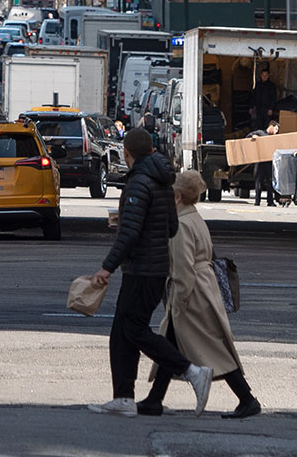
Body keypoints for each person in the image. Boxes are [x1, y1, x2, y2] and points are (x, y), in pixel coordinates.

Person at [86, 127, 210, 418]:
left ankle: (191, 371)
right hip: (154, 269)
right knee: (122, 332)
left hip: (142, 269)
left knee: (133, 330)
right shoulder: (163, 183)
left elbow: (129, 234)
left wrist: (107, 267)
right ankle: (124, 398)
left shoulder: (139, 183)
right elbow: (170, 227)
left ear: (127, 153)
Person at [139, 169, 260, 419]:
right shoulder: (194, 218)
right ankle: (154, 398)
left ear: (177, 197)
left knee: (209, 346)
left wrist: (179, 301)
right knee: (175, 343)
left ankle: (247, 398)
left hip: (192, 292)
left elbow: (183, 267)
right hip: (204, 287)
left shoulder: (181, 224)